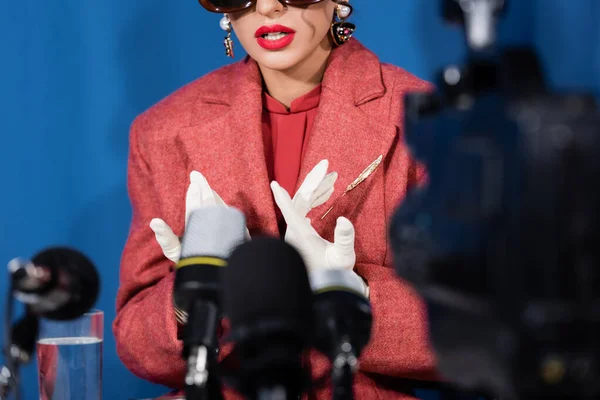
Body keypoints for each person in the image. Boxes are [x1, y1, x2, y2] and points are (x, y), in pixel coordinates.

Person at [113, 0, 438, 398]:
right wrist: (193, 302)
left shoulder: (433, 123)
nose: (267, 7)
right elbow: (134, 342)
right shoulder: (163, 132)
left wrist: (353, 293)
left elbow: (489, 329)